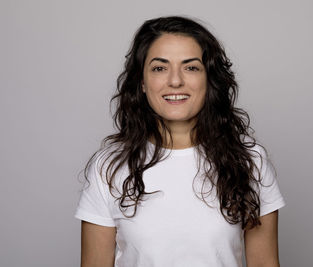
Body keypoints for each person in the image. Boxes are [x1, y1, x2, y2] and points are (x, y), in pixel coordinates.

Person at [74, 15, 286, 267]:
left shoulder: (250, 161)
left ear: (209, 80)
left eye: (191, 67)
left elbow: (264, 263)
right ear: (142, 82)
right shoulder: (108, 166)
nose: (175, 81)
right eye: (160, 68)